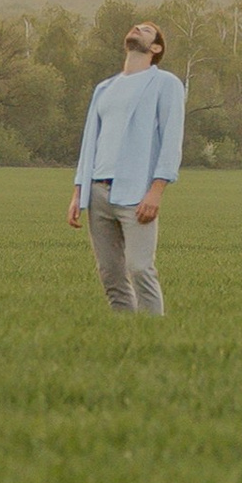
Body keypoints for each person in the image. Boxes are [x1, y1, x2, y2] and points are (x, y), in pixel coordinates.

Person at [69, 20, 185, 316]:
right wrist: (78, 193)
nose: (136, 28)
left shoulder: (165, 84)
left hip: (137, 192)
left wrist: (156, 191)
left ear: (155, 48)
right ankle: (125, 336)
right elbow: (89, 142)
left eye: (145, 30)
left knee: (140, 268)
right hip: (98, 192)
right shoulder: (104, 88)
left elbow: (172, 140)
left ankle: (153, 335)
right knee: (110, 274)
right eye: (134, 26)